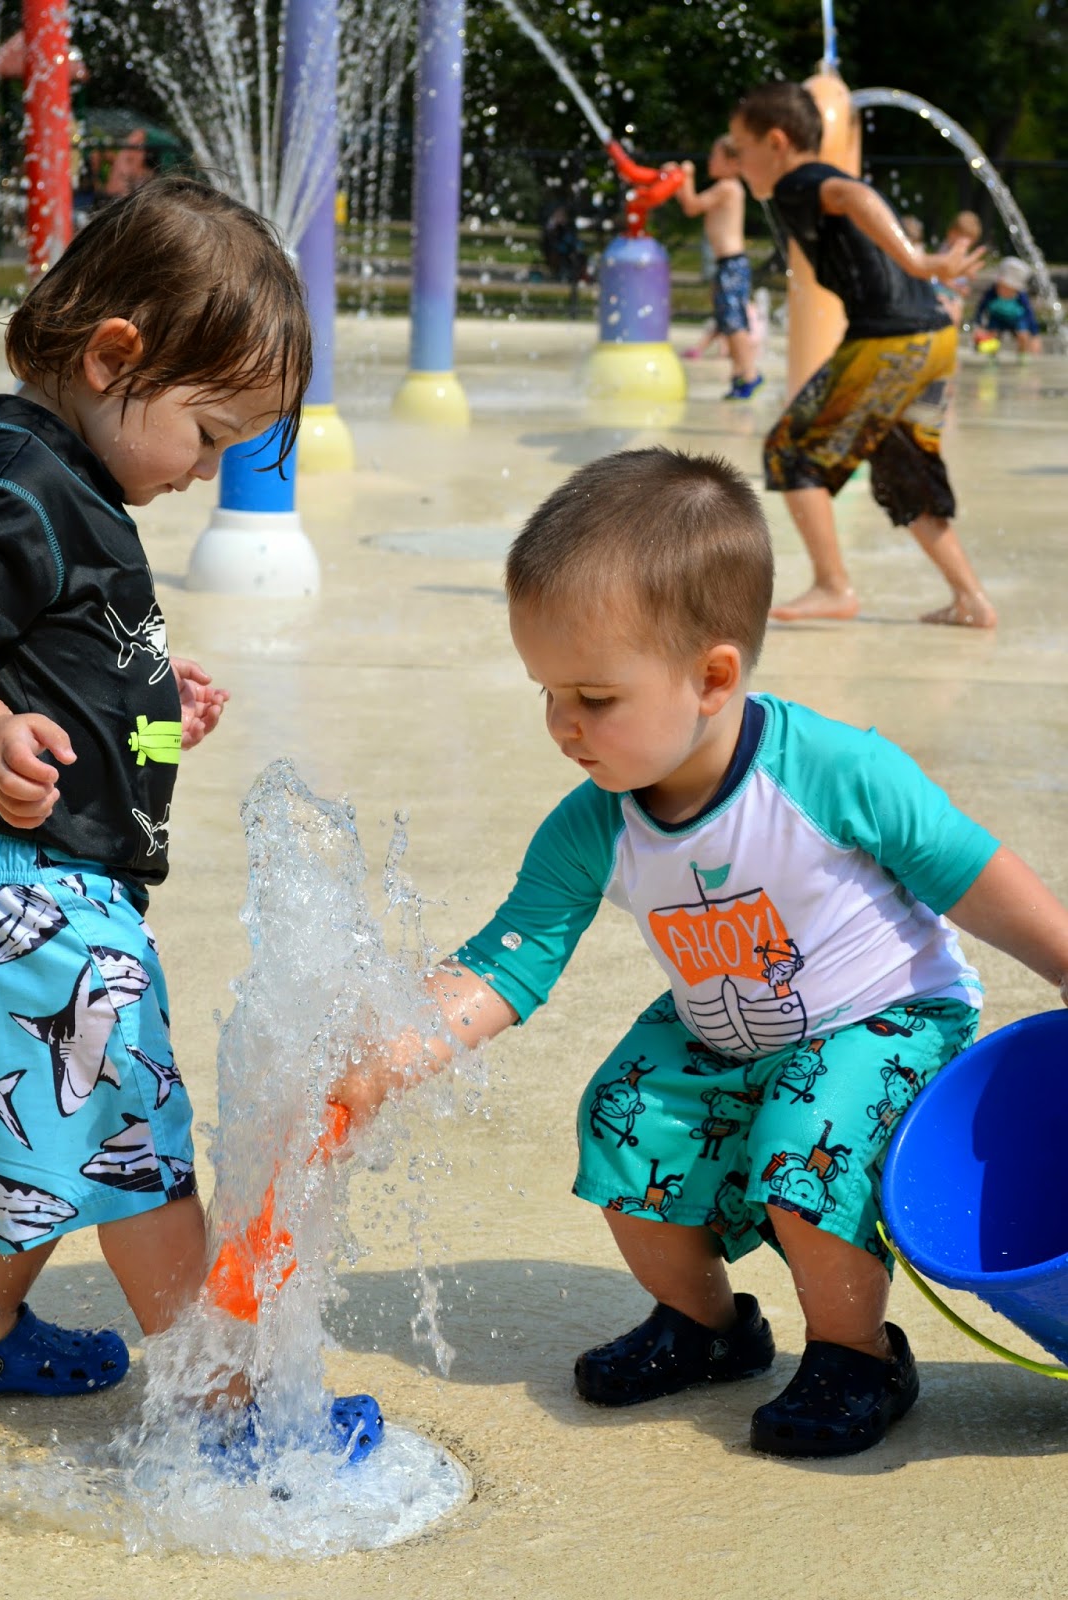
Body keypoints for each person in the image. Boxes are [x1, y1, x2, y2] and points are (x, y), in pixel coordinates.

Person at [326, 446, 1068, 1460]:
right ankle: (710, 1328)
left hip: (882, 1015)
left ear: (713, 676)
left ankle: (858, 1352)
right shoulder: (595, 823)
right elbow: (509, 959)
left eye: (594, 697)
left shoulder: (830, 770)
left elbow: (966, 870)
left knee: (800, 1158)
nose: (562, 726)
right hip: (731, 1024)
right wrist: (395, 1049)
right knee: (624, 1120)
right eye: (545, 692)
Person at [0, 176, 312, 1405]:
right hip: (21, 894)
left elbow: (44, 641)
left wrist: (145, 701)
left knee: (50, 1133)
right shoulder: (18, 478)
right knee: (135, 1139)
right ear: (113, 356)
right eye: (206, 433)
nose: (206, 471)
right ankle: (218, 1402)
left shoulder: (69, 482)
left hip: (27, 891)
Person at [727, 83, 996, 628]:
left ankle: (833, 586)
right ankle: (972, 600)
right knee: (904, 470)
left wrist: (918, 261)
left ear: (776, 142)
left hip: (891, 339)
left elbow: (852, 196)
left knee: (791, 451)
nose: (736, 161)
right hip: (931, 339)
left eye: (740, 148)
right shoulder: (801, 184)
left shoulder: (799, 181)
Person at [674, 137, 763, 399]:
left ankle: (750, 375)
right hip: (729, 264)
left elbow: (691, 206)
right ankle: (739, 373)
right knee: (729, 323)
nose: (710, 162)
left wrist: (685, 176)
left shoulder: (728, 187)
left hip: (731, 264)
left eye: (715, 157)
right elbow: (691, 204)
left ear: (733, 163)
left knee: (734, 324)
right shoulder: (727, 187)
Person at [972, 256, 1042, 357]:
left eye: (1009, 289)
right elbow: (981, 309)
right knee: (992, 335)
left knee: (1023, 335)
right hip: (997, 318)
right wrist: (978, 326)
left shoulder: (1021, 296)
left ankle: (1022, 356)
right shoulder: (991, 293)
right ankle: (992, 358)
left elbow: (1029, 314)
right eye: (1002, 287)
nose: (1004, 291)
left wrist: (1035, 335)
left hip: (1017, 319)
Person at [935, 209, 983, 326]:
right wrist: (957, 287)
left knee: (956, 317)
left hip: (954, 293)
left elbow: (962, 275)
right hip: (939, 291)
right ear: (952, 233)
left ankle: (951, 340)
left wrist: (968, 275)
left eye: (971, 241)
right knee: (946, 313)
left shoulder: (963, 253)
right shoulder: (946, 252)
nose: (966, 244)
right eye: (964, 239)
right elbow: (940, 277)